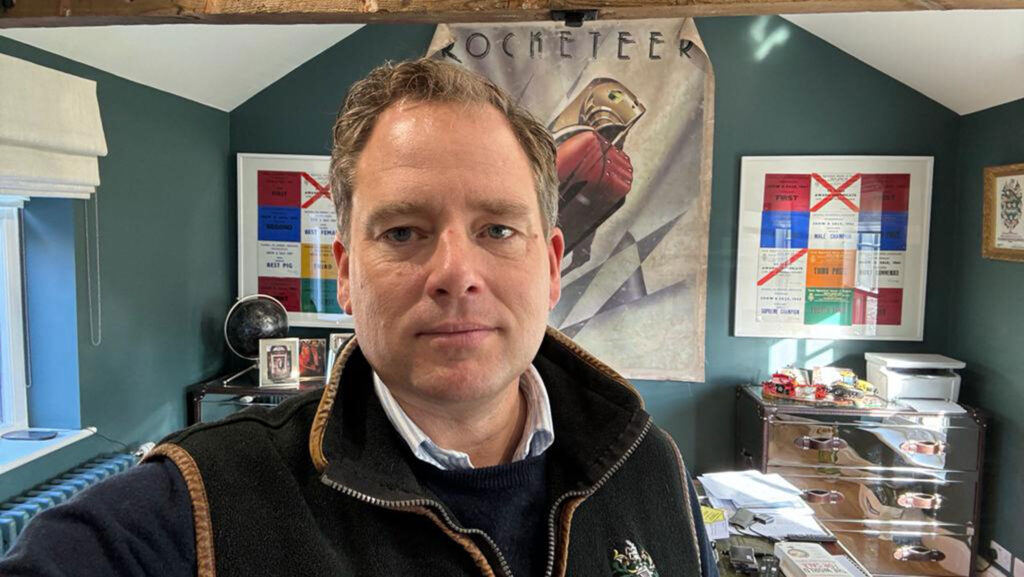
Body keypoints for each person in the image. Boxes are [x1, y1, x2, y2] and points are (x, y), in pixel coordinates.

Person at [0, 57, 716, 577]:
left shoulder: (652, 469)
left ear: (553, 263)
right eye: (403, 232)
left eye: (498, 229)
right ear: (345, 271)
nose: (456, 274)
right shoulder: (202, 502)